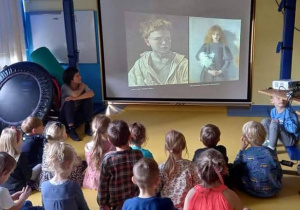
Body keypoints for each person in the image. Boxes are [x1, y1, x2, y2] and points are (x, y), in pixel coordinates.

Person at [128, 17, 188, 87]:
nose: (164, 42)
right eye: (158, 39)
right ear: (147, 42)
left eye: (167, 38)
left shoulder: (184, 64)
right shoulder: (140, 65)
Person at [97, 120, 143, 210]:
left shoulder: (108, 160)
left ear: (109, 140)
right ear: (130, 136)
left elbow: (102, 188)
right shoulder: (138, 154)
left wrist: (103, 205)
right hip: (135, 204)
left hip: (115, 206)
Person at [232, 121, 282, 197]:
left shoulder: (245, 153)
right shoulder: (271, 152)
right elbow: (279, 171)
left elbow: (235, 166)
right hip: (273, 190)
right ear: (264, 135)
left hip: (251, 190)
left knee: (235, 169)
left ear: (246, 138)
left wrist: (241, 150)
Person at [158, 130, 199, 210]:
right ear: (183, 146)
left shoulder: (162, 167)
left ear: (166, 147)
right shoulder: (191, 166)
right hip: (186, 207)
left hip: (165, 207)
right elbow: (197, 187)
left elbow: (157, 187)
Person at [41, 142, 89, 210]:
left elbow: (44, 207)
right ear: (69, 164)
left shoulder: (44, 186)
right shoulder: (73, 186)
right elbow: (83, 207)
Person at [38, 121, 84, 190]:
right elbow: (76, 162)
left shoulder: (46, 147)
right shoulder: (66, 148)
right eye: (65, 132)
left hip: (48, 177)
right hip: (63, 175)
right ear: (62, 136)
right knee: (81, 163)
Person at [0, 127, 40, 194]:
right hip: (18, 189)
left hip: (4, 187)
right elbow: (28, 176)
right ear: (16, 142)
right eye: (22, 139)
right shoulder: (20, 156)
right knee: (40, 166)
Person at [59, 67, 94, 141]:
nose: (80, 77)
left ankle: (87, 125)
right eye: (77, 76)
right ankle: (71, 130)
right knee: (69, 102)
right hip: (65, 117)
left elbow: (91, 93)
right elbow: (75, 95)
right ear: (72, 79)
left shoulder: (81, 85)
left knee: (88, 99)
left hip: (77, 116)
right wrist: (81, 88)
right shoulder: (65, 87)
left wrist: (76, 99)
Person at [83, 114, 115, 190]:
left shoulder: (88, 146)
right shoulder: (113, 144)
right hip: (109, 178)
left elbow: (90, 163)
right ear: (109, 129)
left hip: (93, 179)